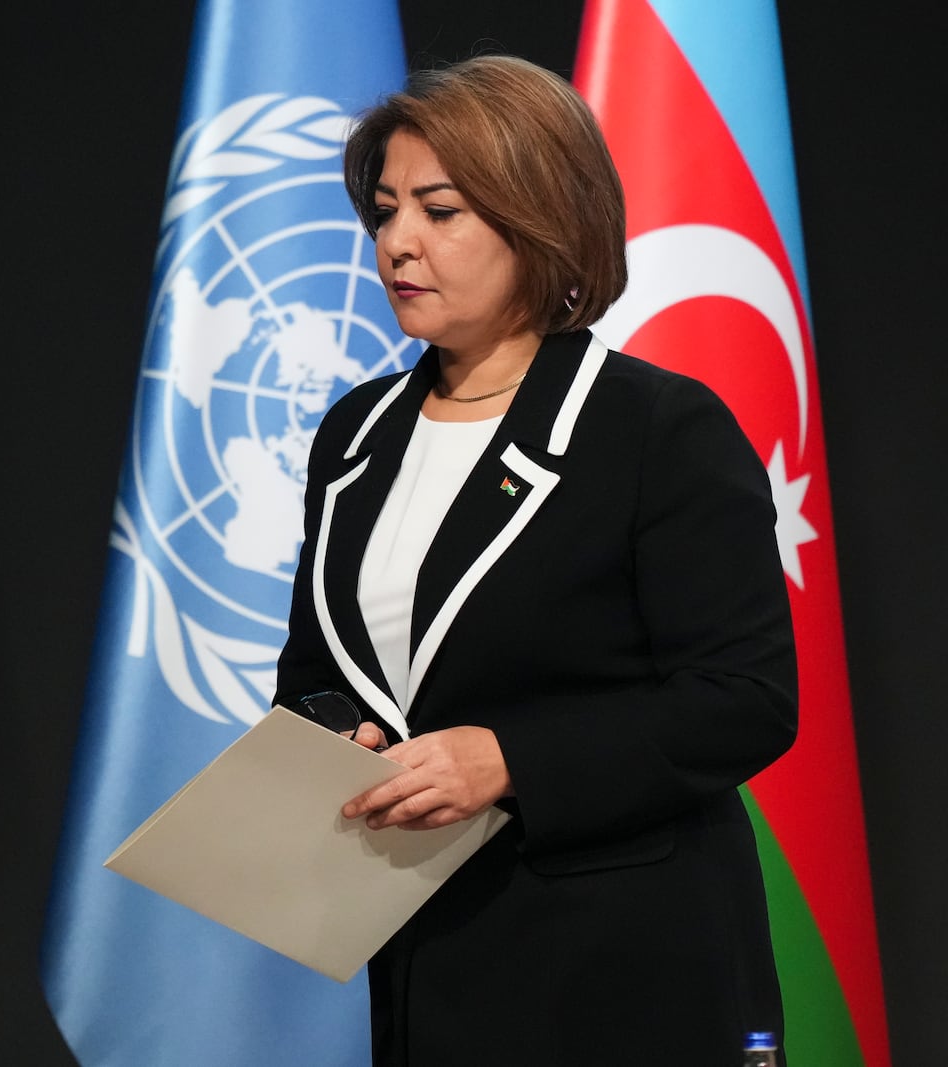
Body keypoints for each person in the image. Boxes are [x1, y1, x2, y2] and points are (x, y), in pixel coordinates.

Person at [273, 55, 796, 1065]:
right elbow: (315, 675)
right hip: (427, 958)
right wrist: (340, 739)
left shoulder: (655, 427)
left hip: (625, 968)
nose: (396, 244)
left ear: (541, 219)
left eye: (440, 210)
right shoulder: (355, 432)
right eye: (383, 212)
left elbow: (742, 696)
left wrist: (509, 758)